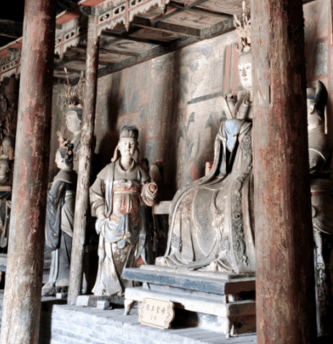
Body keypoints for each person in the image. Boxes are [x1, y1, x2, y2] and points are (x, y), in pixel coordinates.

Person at [157, 48, 255, 274]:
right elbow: (229, 140)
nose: (244, 74)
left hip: (253, 170)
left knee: (230, 197)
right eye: (240, 70)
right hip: (231, 168)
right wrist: (227, 129)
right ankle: (180, 254)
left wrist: (243, 128)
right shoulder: (243, 101)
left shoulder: (269, 97)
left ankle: (231, 256)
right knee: (188, 195)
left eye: (249, 68)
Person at [90, 126, 158, 296]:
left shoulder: (140, 171)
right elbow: (95, 193)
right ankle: (110, 290)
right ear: (119, 146)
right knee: (111, 256)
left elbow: (146, 196)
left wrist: (150, 190)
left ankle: (129, 289)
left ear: (136, 148)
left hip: (133, 223)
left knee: (131, 257)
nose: (128, 147)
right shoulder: (109, 170)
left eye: (132, 144)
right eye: (125, 143)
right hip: (113, 222)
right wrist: (101, 212)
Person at [307, 81, 333, 339]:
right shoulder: (308, 137)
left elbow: (307, 167)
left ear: (310, 108)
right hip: (309, 210)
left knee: (322, 269)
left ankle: (324, 328)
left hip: (319, 211)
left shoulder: (319, 138)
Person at [44, 140, 76, 296]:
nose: (55, 160)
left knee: (62, 244)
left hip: (63, 213)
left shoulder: (63, 175)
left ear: (63, 159)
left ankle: (61, 279)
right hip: (70, 210)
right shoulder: (72, 174)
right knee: (67, 244)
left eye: (57, 157)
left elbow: (52, 198)